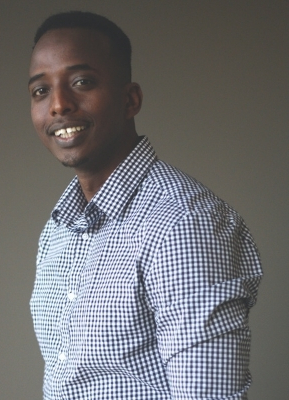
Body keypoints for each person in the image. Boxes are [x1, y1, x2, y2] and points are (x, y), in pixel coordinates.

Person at [29, 11, 262, 400]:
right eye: (40, 90)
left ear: (130, 99)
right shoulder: (57, 231)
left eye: (82, 82)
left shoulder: (184, 223)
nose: (58, 105)